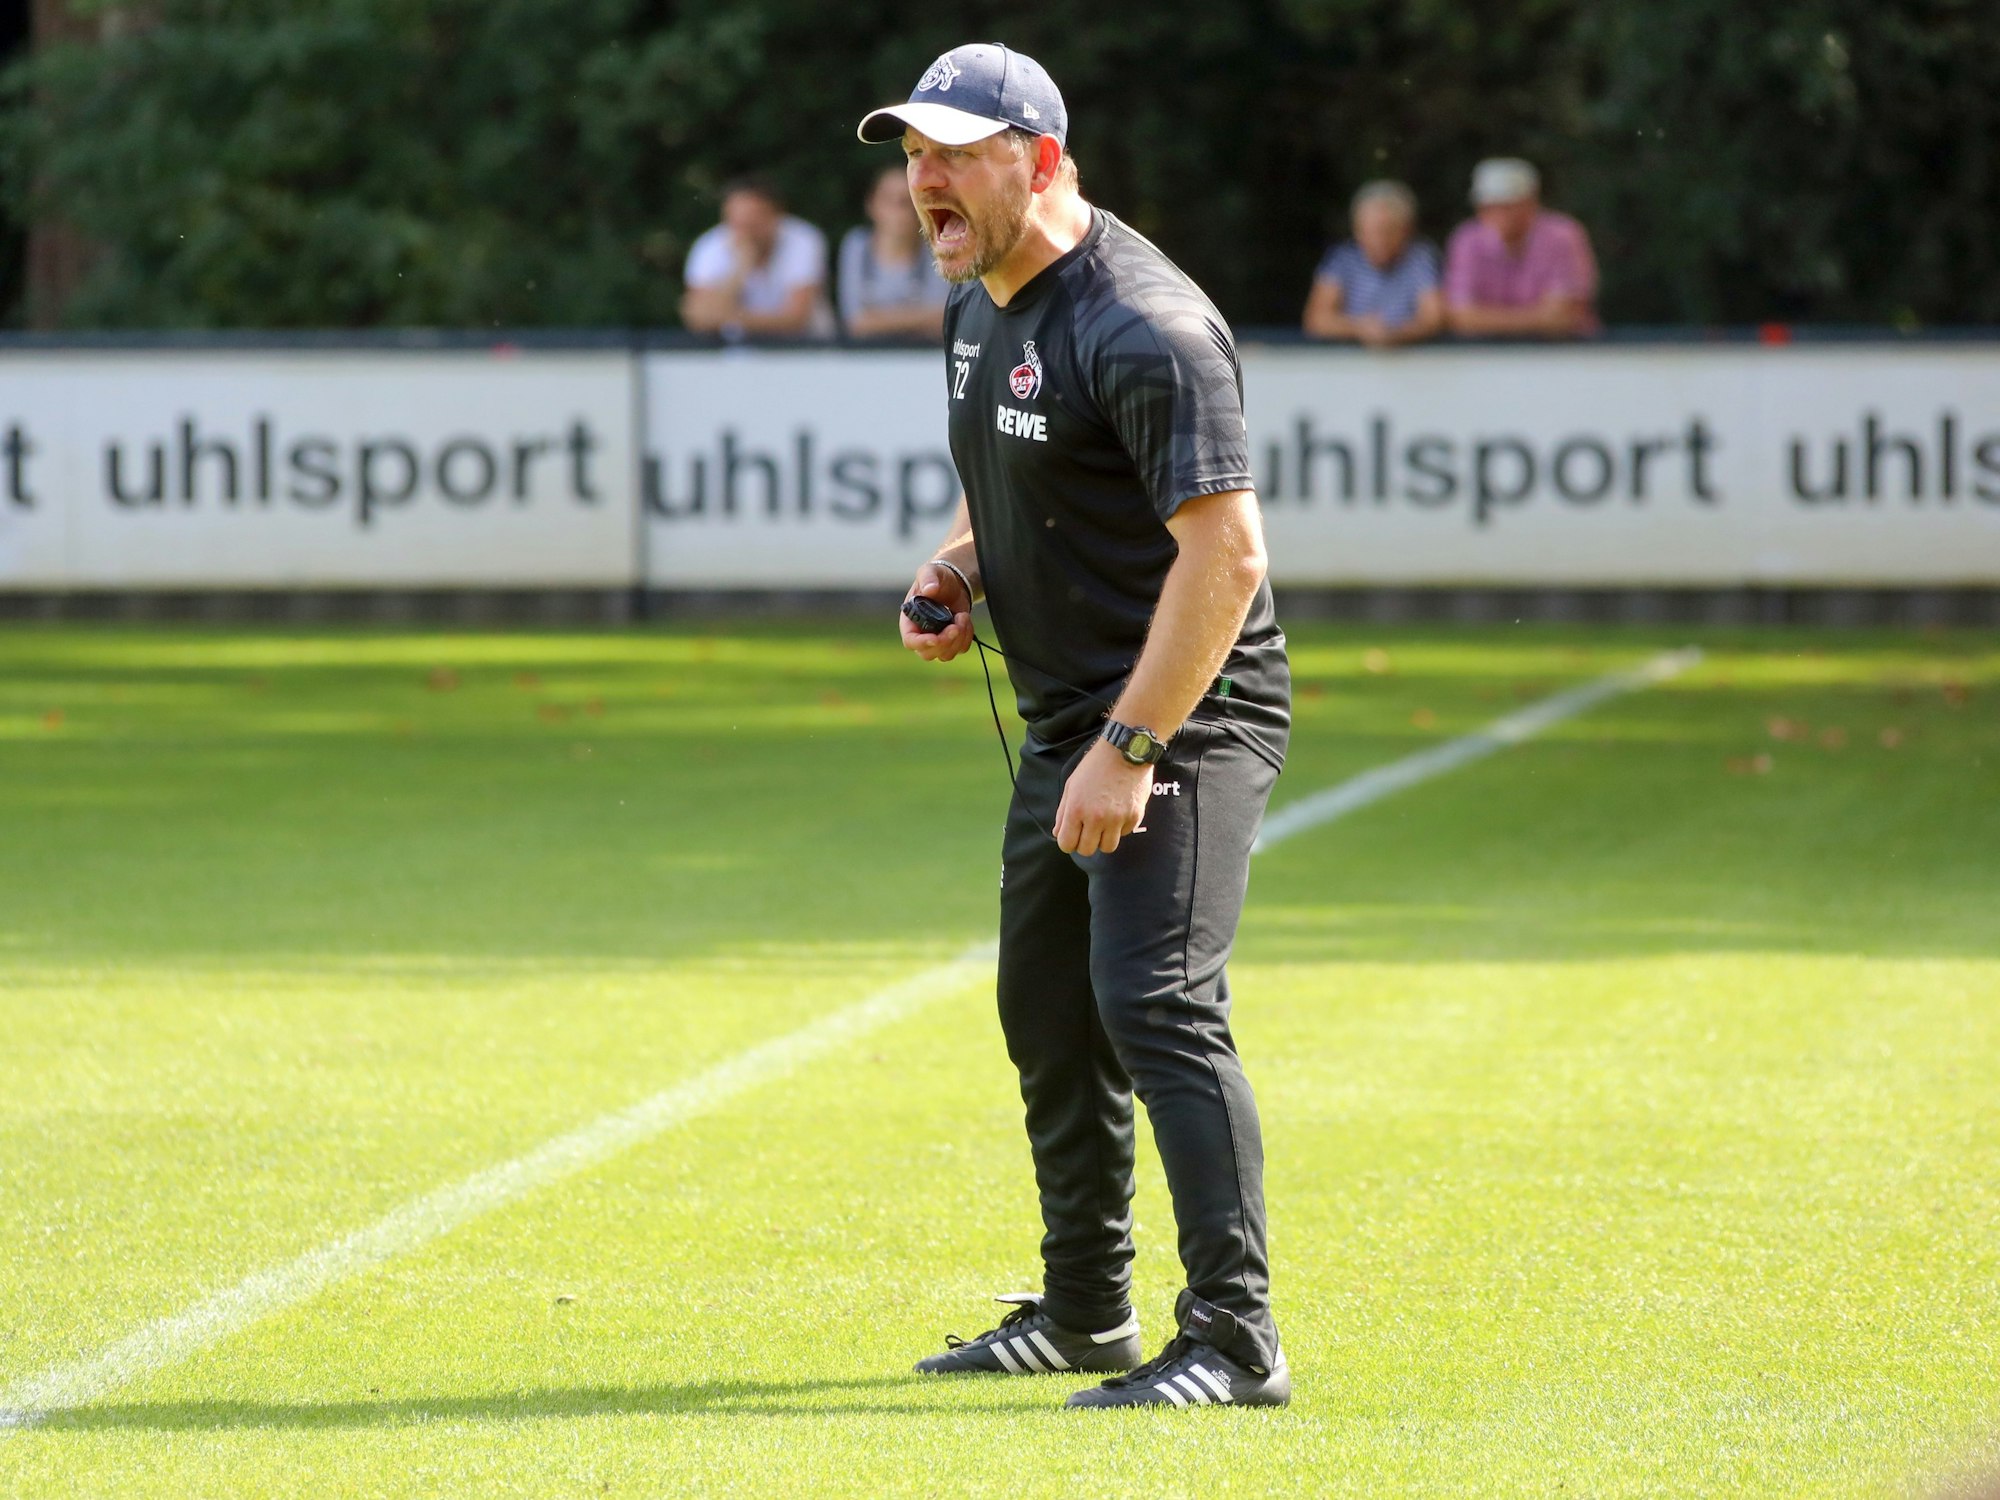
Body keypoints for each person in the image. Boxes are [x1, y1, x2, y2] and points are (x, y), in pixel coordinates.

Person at [859, 42, 1293, 1411]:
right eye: (909, 154)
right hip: (1071, 714)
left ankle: (1236, 1339)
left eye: (949, 153)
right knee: (1046, 1005)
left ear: (1036, 160)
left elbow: (1225, 560)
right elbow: (1028, 477)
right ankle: (1089, 1311)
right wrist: (959, 570)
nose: (919, 179)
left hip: (1192, 711)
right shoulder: (978, 301)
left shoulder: (1146, 324)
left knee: (1154, 1001)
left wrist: (1134, 745)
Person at [1443, 157, 1600, 338]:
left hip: (1565, 353)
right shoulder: (1466, 239)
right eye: (1488, 205)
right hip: (1488, 356)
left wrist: (1484, 319)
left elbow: (1565, 316)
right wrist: (1539, 318)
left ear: (1531, 202)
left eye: (1506, 205)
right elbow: (1461, 318)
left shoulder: (1563, 235)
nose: (1496, 213)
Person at [680, 176, 834, 341]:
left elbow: (796, 320)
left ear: (777, 216)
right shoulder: (709, 246)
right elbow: (698, 321)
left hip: (806, 350)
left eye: (753, 222)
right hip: (738, 355)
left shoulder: (804, 240)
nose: (745, 231)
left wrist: (725, 317)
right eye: (737, 222)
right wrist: (740, 268)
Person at [1301, 180, 1444, 346]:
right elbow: (1316, 320)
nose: (1379, 240)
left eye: (1387, 231)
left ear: (1406, 230)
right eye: (1370, 231)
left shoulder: (1421, 258)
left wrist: (1394, 334)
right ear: (1357, 231)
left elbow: (1434, 319)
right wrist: (1359, 328)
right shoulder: (1342, 258)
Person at [838, 164, 949, 341]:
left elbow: (944, 318)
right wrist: (919, 316)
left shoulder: (938, 248)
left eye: (906, 201)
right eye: (889, 199)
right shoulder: (856, 245)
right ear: (871, 204)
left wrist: (878, 318)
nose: (898, 210)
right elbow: (855, 321)